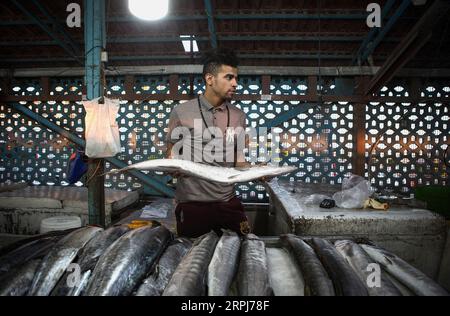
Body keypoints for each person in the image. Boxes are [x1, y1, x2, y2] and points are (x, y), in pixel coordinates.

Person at [165, 48, 251, 238]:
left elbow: (238, 159)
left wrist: (256, 171)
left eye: (236, 78)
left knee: (239, 251)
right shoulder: (181, 112)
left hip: (228, 202)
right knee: (192, 258)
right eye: (229, 77)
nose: (235, 83)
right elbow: (171, 153)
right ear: (209, 79)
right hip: (193, 205)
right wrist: (173, 166)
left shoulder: (238, 116)